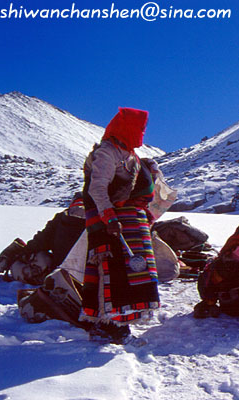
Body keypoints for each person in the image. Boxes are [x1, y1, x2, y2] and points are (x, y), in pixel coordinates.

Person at [79, 107, 160, 344]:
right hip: (113, 223)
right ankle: (110, 324)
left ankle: (120, 321)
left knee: (133, 273)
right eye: (140, 128)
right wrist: (109, 216)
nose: (142, 132)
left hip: (132, 223)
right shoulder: (107, 152)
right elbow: (97, 188)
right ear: (128, 128)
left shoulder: (130, 154)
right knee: (114, 273)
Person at [0, 193, 86, 285]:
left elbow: (41, 241)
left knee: (38, 258)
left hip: (60, 270)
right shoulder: (98, 219)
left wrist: (22, 252)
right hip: (91, 272)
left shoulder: (61, 218)